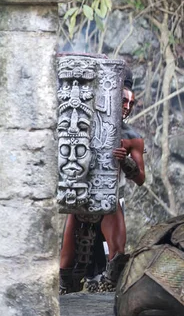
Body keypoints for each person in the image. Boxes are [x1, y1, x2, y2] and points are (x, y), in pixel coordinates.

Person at [59, 69, 145, 294]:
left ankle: (111, 289)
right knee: (67, 256)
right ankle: (66, 287)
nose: (126, 105)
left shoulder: (131, 137)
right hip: (82, 193)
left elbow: (141, 179)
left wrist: (126, 162)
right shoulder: (85, 125)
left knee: (116, 252)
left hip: (111, 196)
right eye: (123, 100)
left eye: (131, 102)